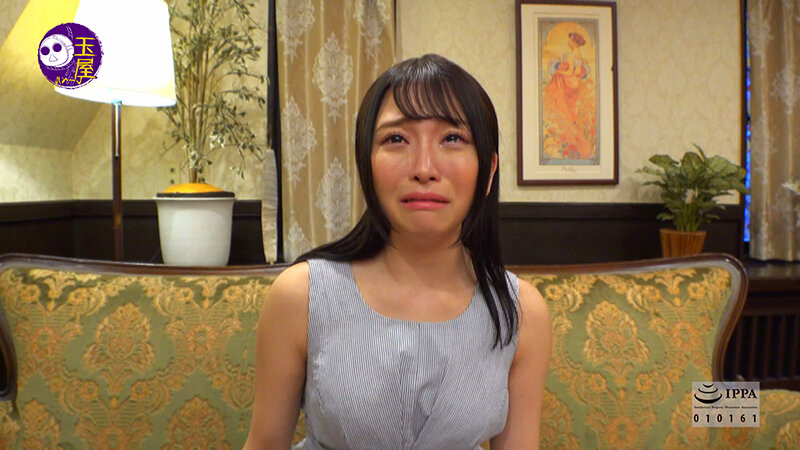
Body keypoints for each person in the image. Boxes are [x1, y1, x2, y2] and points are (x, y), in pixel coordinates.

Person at [244, 54, 551, 449]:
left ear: (488, 172)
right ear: (366, 165)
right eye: (396, 139)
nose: (424, 168)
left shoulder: (520, 312)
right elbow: (265, 443)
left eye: (452, 138)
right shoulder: (301, 295)